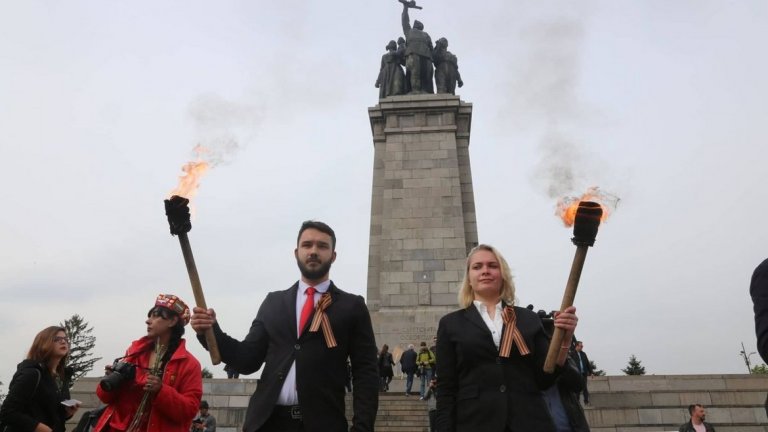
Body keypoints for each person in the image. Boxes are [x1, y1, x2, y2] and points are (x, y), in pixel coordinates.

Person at [190, 220, 379, 432]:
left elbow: (366, 372)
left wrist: (362, 428)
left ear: (333, 256)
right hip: (267, 422)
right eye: (307, 245)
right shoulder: (274, 302)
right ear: (296, 253)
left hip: (323, 423)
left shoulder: (352, 306)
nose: (313, 251)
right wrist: (211, 331)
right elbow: (247, 360)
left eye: (322, 246)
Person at [435, 244, 579, 432]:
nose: (485, 271)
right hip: (474, 422)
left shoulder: (528, 319)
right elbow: (446, 389)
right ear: (469, 278)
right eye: (477, 267)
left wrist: (564, 340)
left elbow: (545, 379)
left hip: (530, 422)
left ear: (502, 274)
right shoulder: (450, 324)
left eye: (492, 266)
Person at [93, 294, 203, 432]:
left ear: (172, 321)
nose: (148, 321)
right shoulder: (134, 352)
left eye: (155, 316)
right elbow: (104, 398)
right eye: (149, 316)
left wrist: (161, 390)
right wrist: (110, 380)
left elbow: (189, 410)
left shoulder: (189, 364)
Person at [0, 326, 79, 432]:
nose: (63, 342)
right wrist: (40, 428)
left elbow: (49, 414)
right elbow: (7, 412)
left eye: (66, 339)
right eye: (57, 339)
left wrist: (67, 413)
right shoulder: (32, 374)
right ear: (43, 344)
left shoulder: (61, 378)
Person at [400, 1, 434, 94]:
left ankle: (425, 91)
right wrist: (405, 7)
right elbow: (405, 21)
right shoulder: (409, 31)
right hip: (413, 54)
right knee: (415, 73)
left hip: (426, 56)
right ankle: (415, 91)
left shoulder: (425, 34)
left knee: (426, 75)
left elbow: (431, 47)